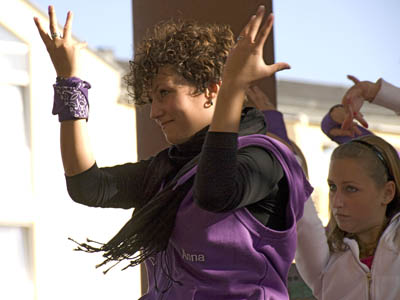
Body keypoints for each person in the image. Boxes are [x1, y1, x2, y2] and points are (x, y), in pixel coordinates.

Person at [34, 4, 312, 300]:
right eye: (151, 99)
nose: (154, 112)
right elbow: (87, 186)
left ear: (211, 90)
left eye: (164, 93)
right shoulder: (167, 169)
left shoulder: (265, 158)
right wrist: (69, 82)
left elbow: (215, 191)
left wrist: (233, 87)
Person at [295, 134, 400, 299]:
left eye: (351, 189)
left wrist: (370, 105)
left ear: (387, 193)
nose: (336, 202)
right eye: (332, 187)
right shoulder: (326, 260)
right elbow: (297, 194)